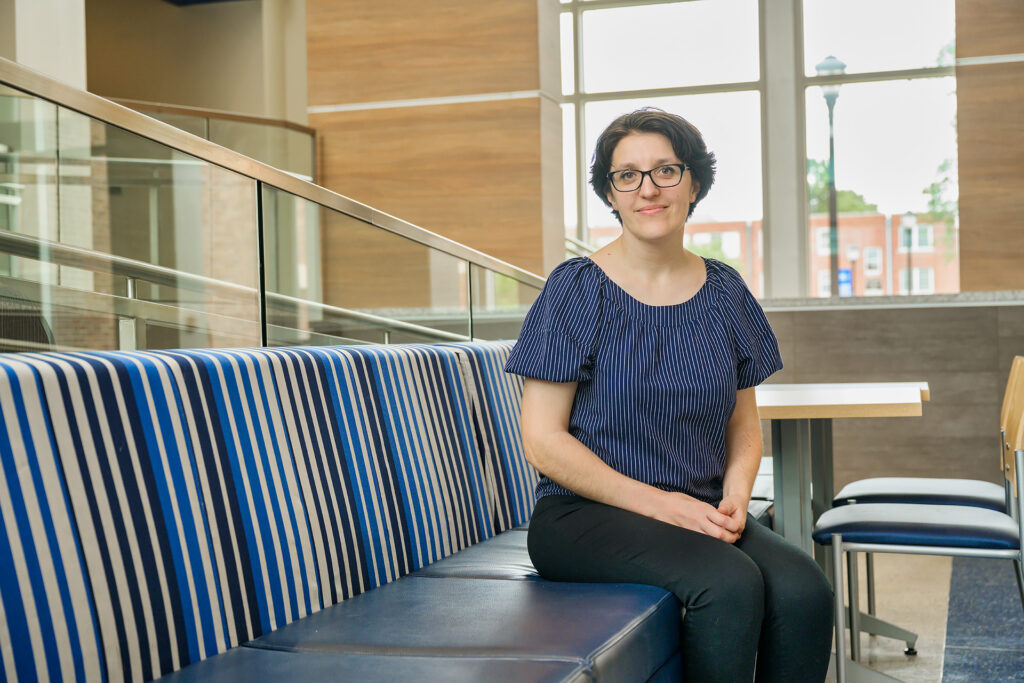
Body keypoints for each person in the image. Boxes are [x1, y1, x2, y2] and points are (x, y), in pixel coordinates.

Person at [505, 108, 833, 682]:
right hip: (584, 518)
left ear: (695, 183)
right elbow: (542, 440)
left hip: (698, 511)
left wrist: (734, 497)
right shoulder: (575, 290)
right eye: (626, 175)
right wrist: (664, 505)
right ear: (611, 194)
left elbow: (742, 425)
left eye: (666, 170)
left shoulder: (726, 290)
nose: (647, 189)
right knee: (728, 586)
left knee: (804, 590)